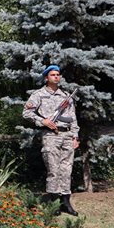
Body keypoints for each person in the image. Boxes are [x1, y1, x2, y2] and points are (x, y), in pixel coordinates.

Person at [23, 64, 80, 216]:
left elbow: (72, 118)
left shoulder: (65, 96)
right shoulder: (39, 95)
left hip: (67, 136)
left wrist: (75, 136)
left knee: (66, 170)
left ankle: (65, 203)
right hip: (51, 136)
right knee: (53, 170)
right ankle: (54, 203)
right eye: (53, 75)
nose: (56, 77)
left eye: (58, 74)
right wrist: (43, 121)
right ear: (46, 77)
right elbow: (27, 112)